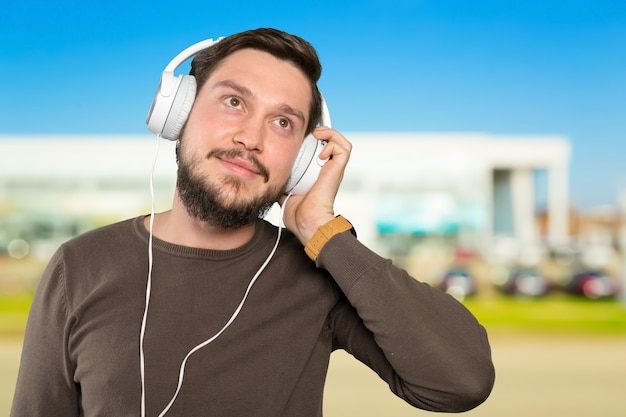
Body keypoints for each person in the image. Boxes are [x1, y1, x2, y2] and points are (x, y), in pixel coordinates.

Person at [11, 28, 494, 416]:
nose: (250, 137)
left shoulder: (318, 272)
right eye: (234, 102)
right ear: (179, 112)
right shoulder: (80, 265)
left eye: (283, 123)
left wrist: (323, 232)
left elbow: (461, 382)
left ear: (304, 159)